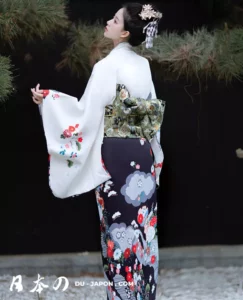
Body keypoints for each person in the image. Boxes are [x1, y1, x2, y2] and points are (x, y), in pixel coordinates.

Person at [31, 3, 164, 299]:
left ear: (126, 32)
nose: (108, 22)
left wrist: (48, 102)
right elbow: (152, 119)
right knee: (142, 230)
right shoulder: (143, 65)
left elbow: (84, 116)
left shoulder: (106, 67)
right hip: (143, 155)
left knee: (117, 232)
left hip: (115, 157)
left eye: (114, 20)